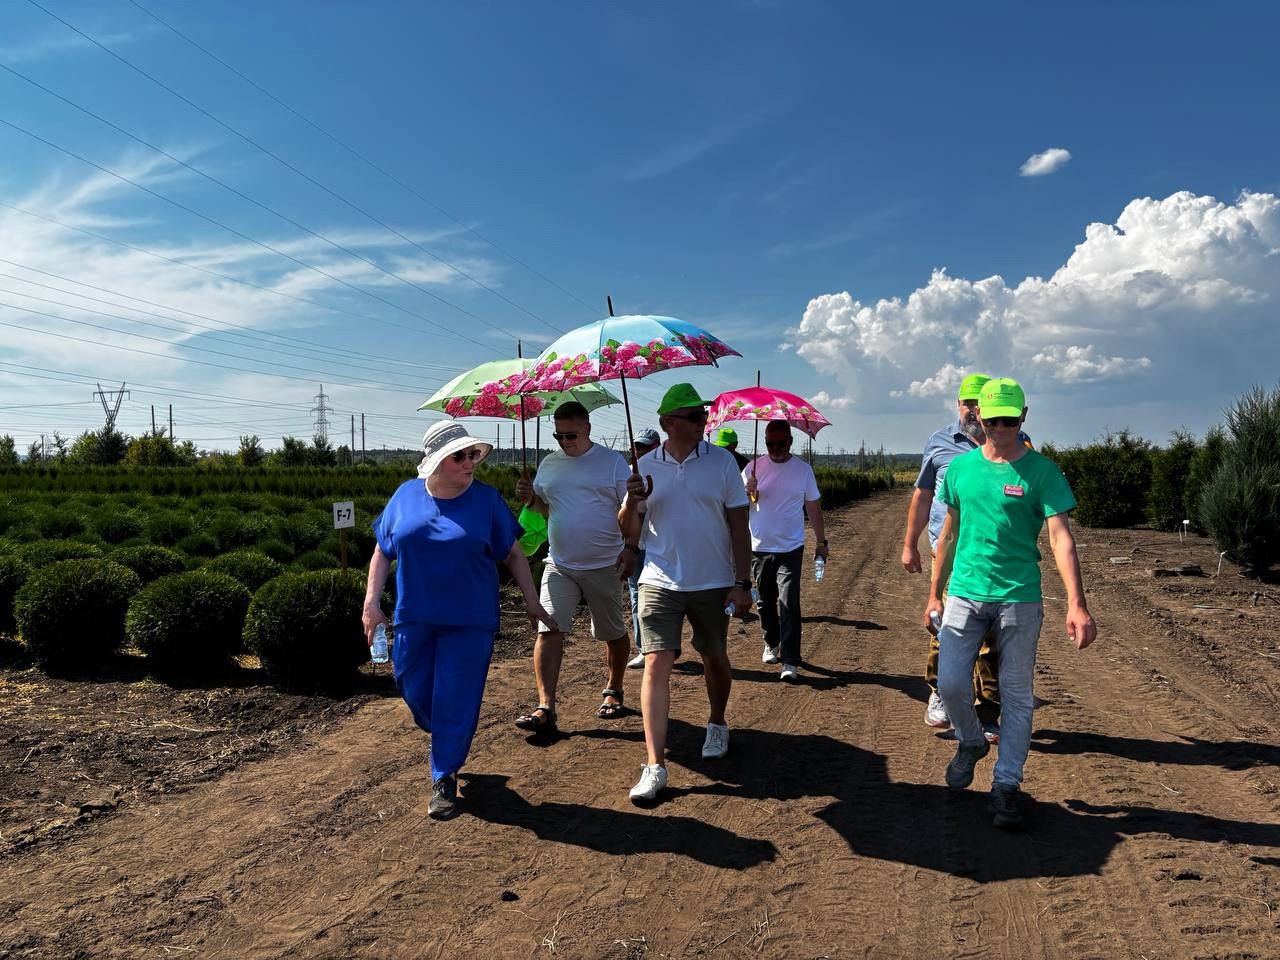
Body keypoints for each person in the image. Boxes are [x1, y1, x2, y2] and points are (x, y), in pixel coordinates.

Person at [925, 377, 1096, 830]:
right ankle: (970, 741)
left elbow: (1060, 539)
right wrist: (934, 593)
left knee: (1016, 694)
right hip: (965, 592)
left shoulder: (1043, 472)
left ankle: (1006, 786)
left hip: (1019, 597)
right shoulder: (961, 470)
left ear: (1023, 417)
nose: (1000, 428)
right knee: (951, 685)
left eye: (1009, 420)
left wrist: (1076, 603)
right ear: (979, 416)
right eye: (993, 420)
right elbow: (949, 534)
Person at [364, 420, 556, 820]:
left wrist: (532, 601)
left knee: (455, 696)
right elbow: (382, 550)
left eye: (473, 455)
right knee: (412, 687)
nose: (469, 463)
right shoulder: (405, 496)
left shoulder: (486, 500)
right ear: (436, 461)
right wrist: (371, 603)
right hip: (414, 615)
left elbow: (513, 553)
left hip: (471, 618)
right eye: (459, 457)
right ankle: (448, 730)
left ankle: (444, 774)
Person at [619, 383, 754, 803]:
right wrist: (631, 501)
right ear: (669, 423)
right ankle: (655, 765)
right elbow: (629, 530)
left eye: (704, 416)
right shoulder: (644, 467)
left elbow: (739, 523)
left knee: (713, 656)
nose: (703, 423)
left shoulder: (722, 463)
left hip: (713, 580)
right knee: (656, 662)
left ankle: (717, 722)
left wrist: (743, 582)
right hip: (658, 578)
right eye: (696, 417)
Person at [902, 373, 1029, 741]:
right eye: (967, 403)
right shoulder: (939, 442)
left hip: (994, 554)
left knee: (990, 634)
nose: (973, 410)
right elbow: (923, 496)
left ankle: (987, 708)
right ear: (957, 405)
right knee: (946, 623)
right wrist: (910, 544)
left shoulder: (1016, 441)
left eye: (979, 403)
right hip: (949, 549)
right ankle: (941, 692)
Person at [513, 401, 633, 735]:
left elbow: (631, 509)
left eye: (571, 435)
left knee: (612, 632)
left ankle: (614, 689)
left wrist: (631, 547)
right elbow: (544, 508)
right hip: (559, 564)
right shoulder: (550, 464)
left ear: (587, 429)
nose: (565, 441)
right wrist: (529, 498)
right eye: (559, 436)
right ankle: (545, 707)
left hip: (604, 564)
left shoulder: (613, 463)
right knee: (548, 628)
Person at [743, 420, 828, 681]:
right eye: (770, 444)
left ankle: (790, 660)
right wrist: (748, 491)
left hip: (791, 547)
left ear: (790, 441)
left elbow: (813, 507)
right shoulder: (752, 469)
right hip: (760, 546)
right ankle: (771, 641)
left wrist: (821, 543)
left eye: (781, 443)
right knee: (764, 600)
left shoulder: (803, 470)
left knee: (789, 601)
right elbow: (737, 504)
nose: (776, 449)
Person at [626, 427, 662, 670]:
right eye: (637, 446)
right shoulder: (629, 473)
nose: (640, 451)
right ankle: (644, 649)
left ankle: (662, 645)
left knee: (659, 600)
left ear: (657, 446)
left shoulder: (665, 470)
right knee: (636, 597)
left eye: (645, 446)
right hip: (634, 545)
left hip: (658, 545)